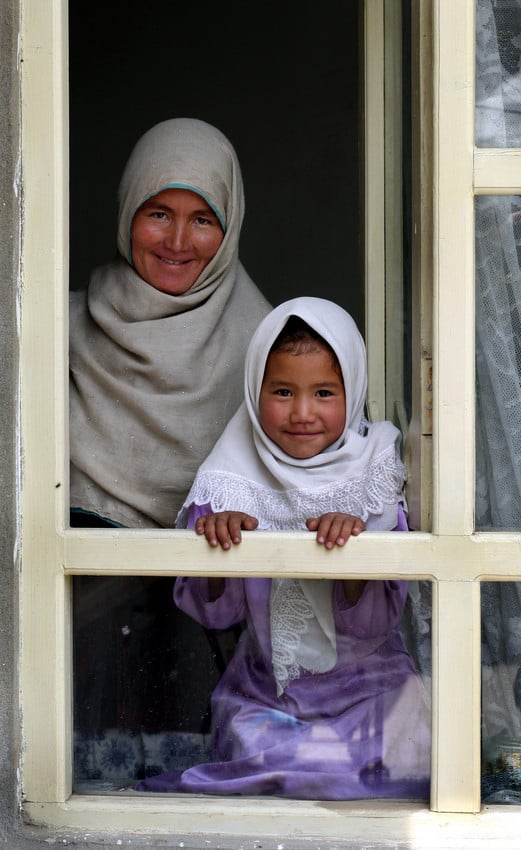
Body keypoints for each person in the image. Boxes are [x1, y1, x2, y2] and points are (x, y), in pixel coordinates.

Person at [136, 297, 431, 800]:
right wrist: (221, 544)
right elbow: (213, 613)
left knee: (401, 752)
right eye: (281, 391)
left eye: (323, 392)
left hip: (373, 691)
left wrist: (354, 548)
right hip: (265, 696)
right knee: (263, 751)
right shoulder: (229, 479)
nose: (301, 413)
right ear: (254, 391)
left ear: (353, 389)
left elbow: (377, 621)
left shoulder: (374, 470)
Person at [69, 118, 270, 737]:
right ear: (128, 208)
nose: (179, 240)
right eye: (159, 212)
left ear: (229, 226)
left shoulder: (268, 351)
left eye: (203, 219)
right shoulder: (59, 330)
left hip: (212, 649)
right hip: (70, 638)